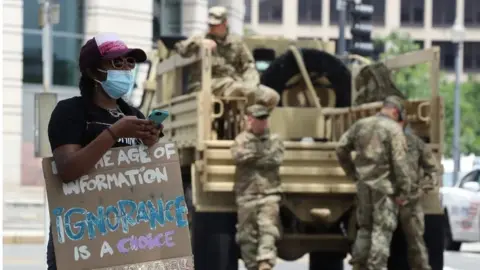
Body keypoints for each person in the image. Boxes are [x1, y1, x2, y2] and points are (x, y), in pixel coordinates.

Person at [46, 33, 163, 269]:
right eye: (116, 63)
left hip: (126, 238)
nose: (126, 69)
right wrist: (113, 134)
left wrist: (151, 143)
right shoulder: (71, 112)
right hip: (81, 240)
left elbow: (148, 176)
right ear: (92, 72)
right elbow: (67, 170)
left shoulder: (134, 116)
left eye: (129, 62)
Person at [335, 95, 412, 270]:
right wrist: (403, 191)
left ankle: (358, 265)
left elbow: (341, 147)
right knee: (381, 230)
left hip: (363, 185)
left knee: (364, 228)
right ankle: (377, 267)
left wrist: (352, 172)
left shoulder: (362, 124)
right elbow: (400, 163)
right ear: (395, 111)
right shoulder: (393, 130)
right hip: (384, 188)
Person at [174, 6, 280, 110]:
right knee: (236, 88)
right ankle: (243, 117)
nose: (212, 27)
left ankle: (254, 120)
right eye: (210, 24)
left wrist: (251, 84)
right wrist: (200, 43)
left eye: (216, 25)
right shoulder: (201, 38)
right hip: (207, 83)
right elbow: (181, 48)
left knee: (272, 96)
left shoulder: (236, 42)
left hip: (237, 83)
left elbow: (248, 66)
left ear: (225, 23)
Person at [230, 104, 285, 270]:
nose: (262, 122)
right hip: (246, 195)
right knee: (246, 236)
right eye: (258, 118)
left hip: (269, 193)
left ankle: (265, 261)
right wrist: (260, 156)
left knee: (268, 229)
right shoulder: (241, 140)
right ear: (250, 120)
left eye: (264, 118)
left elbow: (275, 159)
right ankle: (253, 266)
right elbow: (238, 156)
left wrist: (253, 157)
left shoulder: (275, 140)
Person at [397, 120, 437, 270]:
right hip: (384, 200)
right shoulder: (379, 142)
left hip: (410, 201)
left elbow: (432, 170)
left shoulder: (416, 143)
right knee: (376, 246)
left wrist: (421, 189)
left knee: (416, 245)